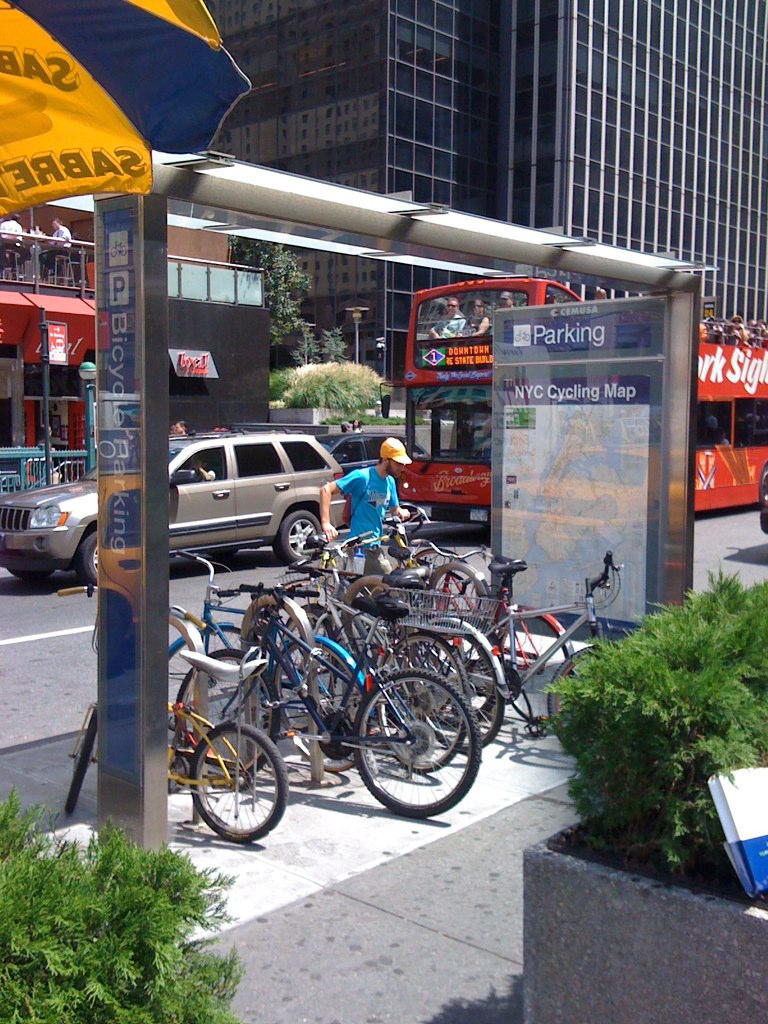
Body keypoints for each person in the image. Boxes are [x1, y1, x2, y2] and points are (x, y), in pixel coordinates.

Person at [319, 436, 412, 574]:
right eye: (398, 463)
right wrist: (326, 523)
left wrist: (400, 511)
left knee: (368, 591)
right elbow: (325, 490)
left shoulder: (390, 482)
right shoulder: (363, 477)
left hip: (375, 544)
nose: (402, 468)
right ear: (386, 460)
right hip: (359, 547)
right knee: (389, 585)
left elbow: (394, 508)